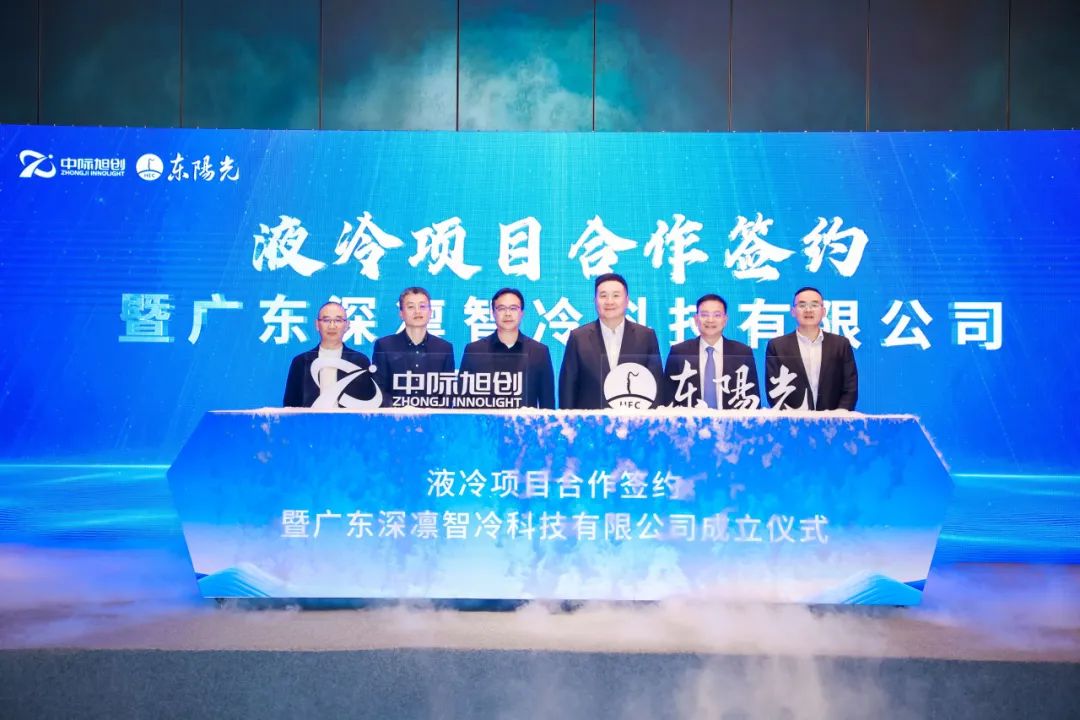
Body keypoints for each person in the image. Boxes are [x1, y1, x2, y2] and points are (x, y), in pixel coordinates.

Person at [558, 273, 664, 410]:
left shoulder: (646, 336)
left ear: (627, 300)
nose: (609, 301)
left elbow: (656, 386)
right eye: (603, 296)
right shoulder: (578, 337)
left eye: (616, 295)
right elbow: (568, 387)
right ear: (595, 301)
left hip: (634, 419)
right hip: (589, 420)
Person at [765, 286, 858, 411]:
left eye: (814, 305)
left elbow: (850, 388)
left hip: (834, 420)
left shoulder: (841, 345)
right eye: (802, 305)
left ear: (823, 311)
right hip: (791, 421)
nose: (808, 310)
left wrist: (837, 418)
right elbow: (774, 391)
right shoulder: (777, 346)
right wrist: (790, 420)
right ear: (793, 311)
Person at [460, 288, 555, 409]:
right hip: (484, 421)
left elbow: (547, 404)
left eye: (513, 308)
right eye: (501, 308)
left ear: (522, 313)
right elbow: (462, 401)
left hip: (524, 421)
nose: (508, 314)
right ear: (493, 313)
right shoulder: (474, 350)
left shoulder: (539, 352)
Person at [664, 294, 760, 409]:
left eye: (717, 315)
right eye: (704, 315)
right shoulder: (679, 352)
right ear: (696, 319)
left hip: (731, 420)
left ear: (725, 320)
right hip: (689, 419)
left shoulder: (742, 353)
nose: (710, 320)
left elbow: (753, 399)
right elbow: (667, 399)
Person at [282, 300, 379, 408]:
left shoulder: (360, 361)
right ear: (317, 324)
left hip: (348, 419)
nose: (332, 326)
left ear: (346, 325)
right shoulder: (301, 362)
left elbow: (367, 404)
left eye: (338, 320)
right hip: (310, 419)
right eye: (326, 320)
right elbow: (290, 405)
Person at [372, 287, 455, 407]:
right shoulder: (385, 346)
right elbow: (379, 389)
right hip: (394, 416)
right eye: (411, 307)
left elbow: (448, 392)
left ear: (430, 312)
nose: (417, 311)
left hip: (432, 416)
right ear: (401, 314)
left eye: (422, 306)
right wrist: (399, 411)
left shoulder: (444, 348)